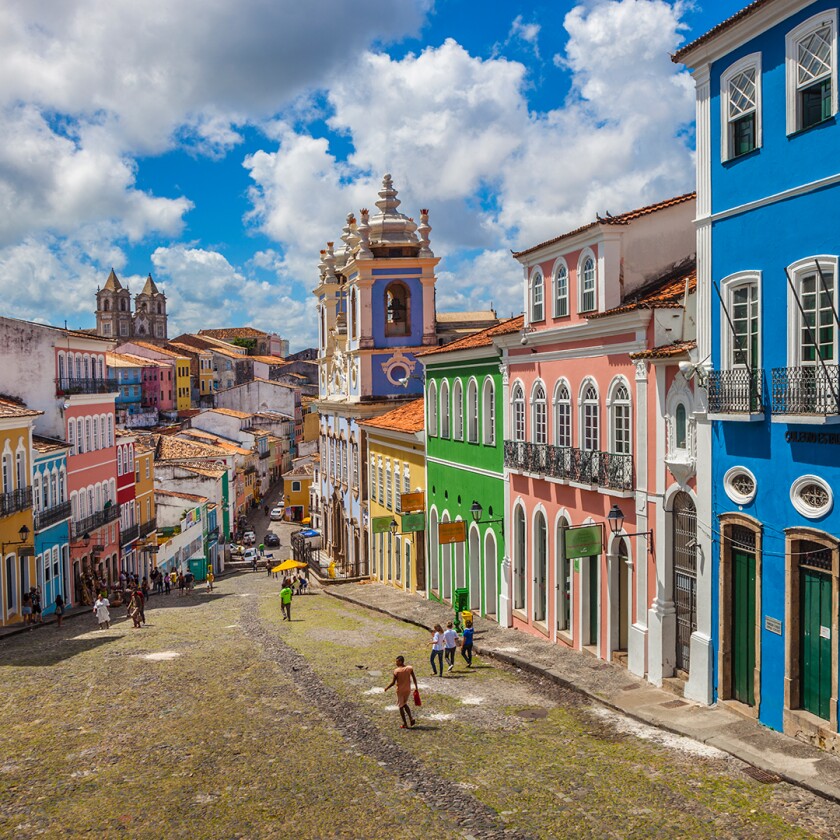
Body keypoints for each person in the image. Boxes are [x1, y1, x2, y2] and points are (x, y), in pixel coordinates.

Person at [385, 655, 418, 729]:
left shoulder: (396, 671)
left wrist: (387, 687)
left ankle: (405, 723)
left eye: (397, 661)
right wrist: (416, 687)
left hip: (400, 690)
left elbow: (393, 682)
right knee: (404, 704)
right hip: (407, 690)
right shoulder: (409, 668)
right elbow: (414, 678)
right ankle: (411, 718)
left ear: (400, 661)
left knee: (400, 707)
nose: (396, 663)